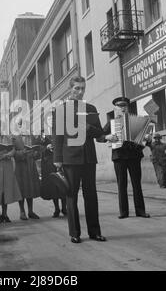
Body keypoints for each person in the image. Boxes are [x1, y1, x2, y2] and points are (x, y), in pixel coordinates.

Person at [53, 76, 106, 244]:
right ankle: (74, 233)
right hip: (70, 158)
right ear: (70, 89)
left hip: (89, 157)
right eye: (77, 88)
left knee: (91, 195)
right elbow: (57, 136)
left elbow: (98, 131)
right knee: (71, 196)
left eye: (82, 88)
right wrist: (57, 159)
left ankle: (94, 232)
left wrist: (102, 135)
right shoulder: (61, 110)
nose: (80, 91)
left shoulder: (91, 108)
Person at [101, 96, 150, 219]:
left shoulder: (137, 120)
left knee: (137, 184)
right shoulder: (111, 123)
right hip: (119, 157)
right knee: (121, 185)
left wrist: (148, 139)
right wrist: (108, 137)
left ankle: (140, 211)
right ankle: (124, 212)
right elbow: (99, 136)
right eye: (119, 106)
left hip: (134, 156)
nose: (122, 108)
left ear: (128, 107)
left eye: (124, 106)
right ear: (115, 108)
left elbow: (145, 139)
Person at [13, 120, 41, 221]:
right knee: (21, 188)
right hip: (21, 165)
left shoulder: (31, 136)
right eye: (20, 125)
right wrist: (21, 153)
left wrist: (35, 154)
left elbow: (37, 150)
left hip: (30, 164)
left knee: (30, 188)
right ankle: (22, 211)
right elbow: (13, 152)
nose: (23, 127)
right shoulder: (14, 137)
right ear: (18, 126)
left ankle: (30, 211)